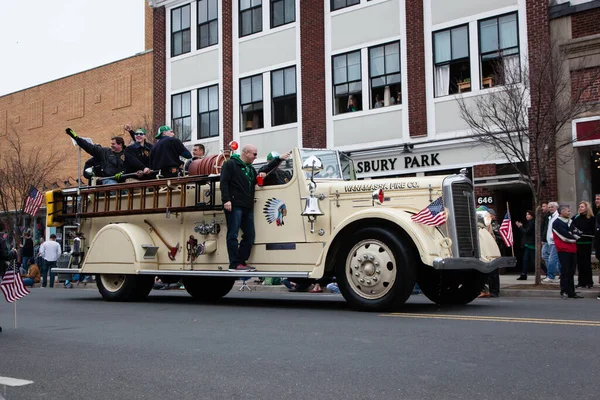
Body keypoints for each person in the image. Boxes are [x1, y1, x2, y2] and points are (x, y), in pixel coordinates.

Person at [220, 144, 266, 271]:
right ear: (246, 153)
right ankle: (234, 264)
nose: (255, 157)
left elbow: (255, 182)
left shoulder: (250, 169)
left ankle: (241, 261)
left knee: (250, 234)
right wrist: (226, 200)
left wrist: (262, 177)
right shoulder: (230, 164)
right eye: (254, 154)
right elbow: (224, 182)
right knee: (233, 233)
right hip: (234, 204)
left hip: (247, 205)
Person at [552, 205, 584, 299]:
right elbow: (564, 236)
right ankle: (564, 291)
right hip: (563, 250)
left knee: (571, 271)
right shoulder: (557, 223)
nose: (570, 212)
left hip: (573, 249)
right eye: (568, 211)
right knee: (565, 271)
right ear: (562, 212)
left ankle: (571, 292)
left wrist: (573, 235)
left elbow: (578, 233)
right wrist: (573, 237)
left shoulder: (570, 222)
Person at [572, 201, 595, 289]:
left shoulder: (591, 218)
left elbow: (592, 230)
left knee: (586, 263)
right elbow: (571, 226)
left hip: (586, 243)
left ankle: (589, 282)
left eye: (582, 207)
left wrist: (583, 233)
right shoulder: (576, 217)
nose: (580, 208)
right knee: (579, 263)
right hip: (577, 242)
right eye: (579, 206)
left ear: (586, 208)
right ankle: (581, 282)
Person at [541, 202, 561, 282]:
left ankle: (551, 276)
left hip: (554, 241)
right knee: (547, 256)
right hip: (548, 241)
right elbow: (547, 229)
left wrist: (552, 237)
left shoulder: (557, 216)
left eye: (552, 207)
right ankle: (560, 273)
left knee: (552, 258)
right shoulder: (549, 216)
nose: (550, 208)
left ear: (556, 207)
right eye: (549, 207)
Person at [515, 210, 535, 280]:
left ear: (532, 215)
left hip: (531, 244)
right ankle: (524, 274)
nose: (527, 216)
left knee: (534, 261)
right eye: (526, 214)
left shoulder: (532, 223)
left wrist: (520, 227)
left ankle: (547, 272)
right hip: (528, 244)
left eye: (528, 214)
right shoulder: (529, 223)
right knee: (525, 260)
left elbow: (526, 232)